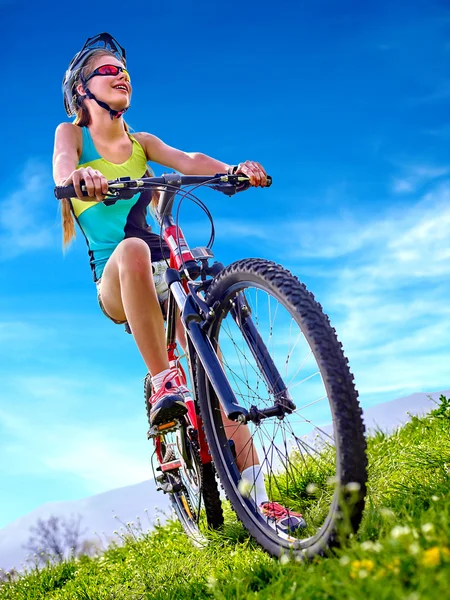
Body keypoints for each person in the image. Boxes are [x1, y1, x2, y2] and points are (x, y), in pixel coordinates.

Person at [53, 33, 304, 532]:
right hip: (118, 280)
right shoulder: (72, 136)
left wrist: (232, 171)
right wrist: (80, 178)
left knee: (214, 381)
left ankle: (258, 498)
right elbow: (63, 166)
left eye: (123, 69)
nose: (120, 74)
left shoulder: (142, 144)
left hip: (166, 277)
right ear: (82, 92)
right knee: (132, 248)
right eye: (106, 70)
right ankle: (162, 378)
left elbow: (188, 160)